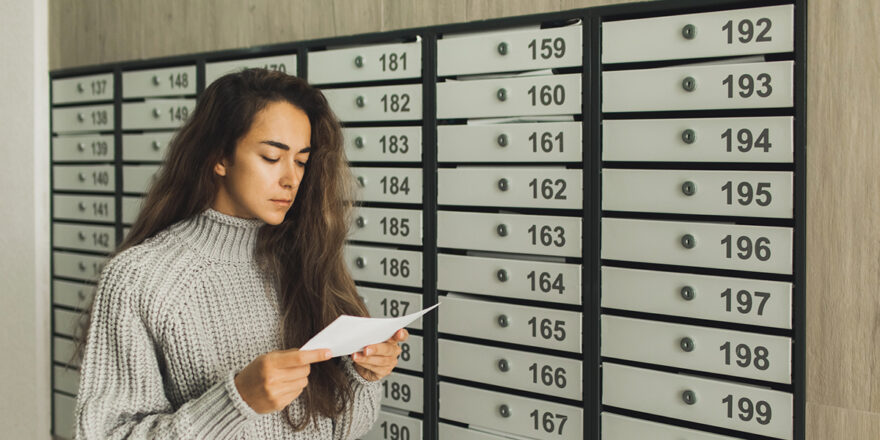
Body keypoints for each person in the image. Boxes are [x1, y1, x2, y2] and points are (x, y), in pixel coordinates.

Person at [73, 68, 408, 439]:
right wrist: (237, 402)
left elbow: (341, 430)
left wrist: (363, 375)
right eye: (270, 157)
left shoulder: (307, 259)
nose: (290, 179)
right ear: (220, 157)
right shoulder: (139, 277)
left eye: (300, 161)